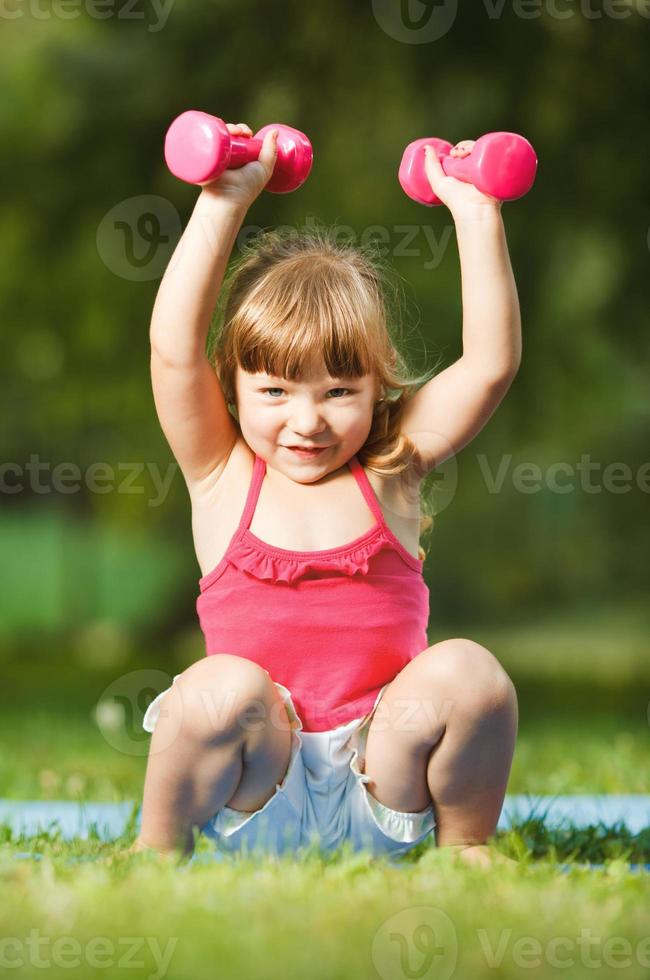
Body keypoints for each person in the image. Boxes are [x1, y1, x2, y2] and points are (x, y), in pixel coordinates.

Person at [135, 123, 520, 868]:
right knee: (218, 687)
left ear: (379, 390)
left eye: (339, 391)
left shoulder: (391, 470)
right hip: (258, 792)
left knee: (471, 673)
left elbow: (489, 366)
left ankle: (466, 848)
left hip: (386, 782)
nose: (306, 421)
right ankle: (154, 851)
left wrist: (476, 213)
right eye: (275, 391)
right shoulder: (221, 473)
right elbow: (173, 347)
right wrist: (224, 198)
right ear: (235, 389)